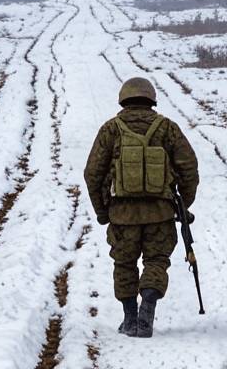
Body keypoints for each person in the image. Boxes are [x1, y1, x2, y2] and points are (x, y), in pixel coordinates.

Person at [83, 77, 200, 338]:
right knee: (156, 261)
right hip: (160, 214)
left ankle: (130, 320)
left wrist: (103, 212)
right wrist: (182, 204)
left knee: (124, 263)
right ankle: (147, 313)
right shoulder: (167, 128)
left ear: (124, 99)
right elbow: (189, 168)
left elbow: (92, 174)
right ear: (151, 99)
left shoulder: (110, 130)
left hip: (122, 216)